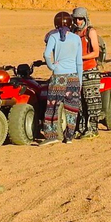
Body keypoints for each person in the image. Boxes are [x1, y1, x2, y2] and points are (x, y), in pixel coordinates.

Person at [39, 11, 83, 146]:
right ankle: (69, 136)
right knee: (72, 108)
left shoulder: (53, 37)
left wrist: (52, 66)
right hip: (73, 77)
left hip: (58, 77)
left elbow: (46, 55)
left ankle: (51, 135)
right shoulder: (76, 38)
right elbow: (79, 62)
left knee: (52, 106)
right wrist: (79, 81)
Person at [71, 7, 103, 138]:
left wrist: (80, 57)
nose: (78, 21)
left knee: (92, 100)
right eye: (76, 19)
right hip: (76, 70)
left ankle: (93, 129)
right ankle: (81, 128)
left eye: (80, 19)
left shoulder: (90, 31)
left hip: (90, 69)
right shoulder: (73, 32)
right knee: (78, 101)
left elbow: (96, 52)